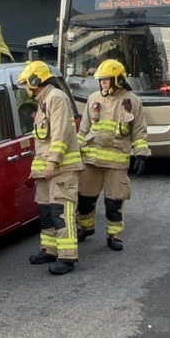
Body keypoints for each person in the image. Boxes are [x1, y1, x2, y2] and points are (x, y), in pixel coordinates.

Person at [17, 60, 83, 275]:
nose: (27, 88)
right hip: (47, 170)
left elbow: (60, 134)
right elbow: (43, 142)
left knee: (61, 211)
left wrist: (53, 162)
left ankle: (67, 256)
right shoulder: (43, 101)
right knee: (46, 211)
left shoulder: (56, 98)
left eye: (27, 83)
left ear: (35, 80)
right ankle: (50, 249)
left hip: (61, 169)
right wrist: (37, 168)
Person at [76, 59, 149, 252]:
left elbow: (139, 131)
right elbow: (83, 130)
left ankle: (114, 235)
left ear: (118, 79)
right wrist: (75, 152)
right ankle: (85, 227)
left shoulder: (132, 101)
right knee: (84, 199)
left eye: (106, 79)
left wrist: (141, 154)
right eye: (101, 80)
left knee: (114, 202)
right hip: (91, 160)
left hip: (116, 161)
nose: (102, 83)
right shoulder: (93, 99)